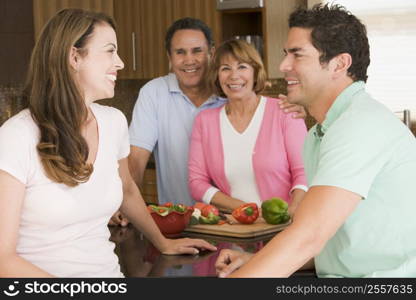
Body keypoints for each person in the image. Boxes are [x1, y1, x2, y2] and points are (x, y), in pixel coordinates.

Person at [0, 8, 216, 278]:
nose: (121, 63)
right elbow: (3, 259)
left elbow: (127, 190)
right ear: (74, 57)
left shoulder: (113, 122)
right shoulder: (18, 135)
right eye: (110, 51)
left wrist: (163, 242)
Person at [215, 4, 416, 278]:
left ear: (339, 64)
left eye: (297, 55)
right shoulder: (319, 135)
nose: (283, 65)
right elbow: (326, 241)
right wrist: (255, 260)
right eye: (286, 54)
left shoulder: (359, 126)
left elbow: (308, 237)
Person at [114, 17, 306, 225]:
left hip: (229, 221)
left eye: (197, 51)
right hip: (181, 219)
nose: (189, 60)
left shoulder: (237, 96)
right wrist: (124, 204)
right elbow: (136, 160)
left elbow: (303, 171)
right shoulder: (156, 94)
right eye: (180, 52)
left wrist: (298, 108)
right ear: (169, 57)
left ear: (211, 53)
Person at [188, 39, 307, 214]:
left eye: (242, 67)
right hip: (234, 232)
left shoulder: (285, 112)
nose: (233, 75)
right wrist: (247, 210)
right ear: (217, 75)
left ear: (255, 72)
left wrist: (293, 211)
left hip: (282, 229)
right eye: (225, 68)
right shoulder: (204, 121)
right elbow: (196, 182)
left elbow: (304, 172)